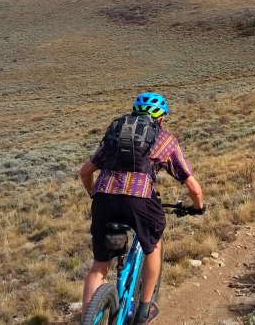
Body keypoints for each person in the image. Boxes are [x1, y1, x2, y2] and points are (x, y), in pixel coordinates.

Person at [79, 92, 204, 324]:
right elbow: (194, 189)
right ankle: (144, 311)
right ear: (161, 119)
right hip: (139, 199)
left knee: (100, 265)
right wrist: (199, 208)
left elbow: (85, 172)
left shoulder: (115, 135)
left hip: (104, 198)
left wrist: (93, 194)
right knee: (154, 244)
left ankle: (87, 319)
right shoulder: (165, 140)